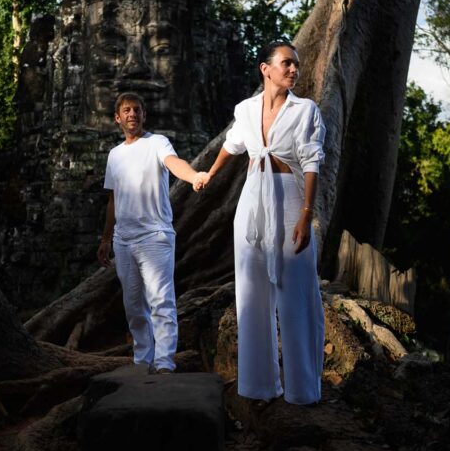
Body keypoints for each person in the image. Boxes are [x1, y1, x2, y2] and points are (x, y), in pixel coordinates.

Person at [204, 41, 326, 404]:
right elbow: (232, 144)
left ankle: (302, 391)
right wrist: (209, 174)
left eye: (296, 65)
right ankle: (258, 385)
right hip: (252, 204)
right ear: (265, 69)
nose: (294, 70)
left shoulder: (305, 110)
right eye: (287, 63)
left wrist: (306, 213)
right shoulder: (245, 110)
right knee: (251, 294)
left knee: (296, 295)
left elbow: (312, 162)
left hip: (290, 201)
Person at [97, 92, 210, 374]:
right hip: (123, 240)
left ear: (144, 115)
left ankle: (164, 362)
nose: (132, 114)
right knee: (133, 306)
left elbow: (173, 162)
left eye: (137, 109)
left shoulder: (157, 142)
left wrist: (193, 176)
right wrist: (106, 239)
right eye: (127, 110)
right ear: (118, 118)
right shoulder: (114, 155)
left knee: (161, 301)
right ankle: (142, 360)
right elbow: (113, 199)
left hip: (154, 236)